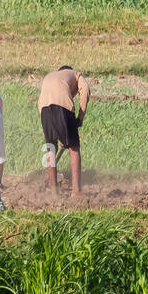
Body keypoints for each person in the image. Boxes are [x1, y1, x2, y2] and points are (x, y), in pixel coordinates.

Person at [38, 65, 89, 198]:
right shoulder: (76, 74)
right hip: (62, 106)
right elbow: (86, 91)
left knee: (50, 148)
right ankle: (76, 191)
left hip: (43, 109)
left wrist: (60, 134)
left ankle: (54, 191)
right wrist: (80, 117)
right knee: (74, 147)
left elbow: (47, 104)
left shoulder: (51, 76)